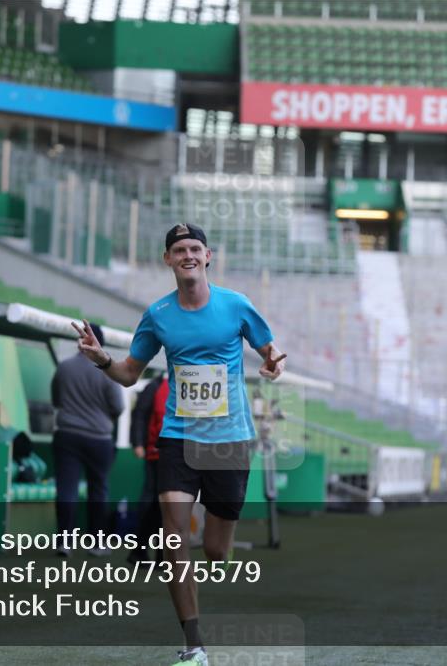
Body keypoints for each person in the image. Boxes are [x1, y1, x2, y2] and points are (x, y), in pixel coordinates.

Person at [72, 222, 286, 666]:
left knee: (215, 551)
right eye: (179, 249)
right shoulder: (158, 315)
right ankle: (194, 646)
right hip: (178, 438)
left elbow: (270, 354)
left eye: (194, 248)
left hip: (229, 441)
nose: (187, 255)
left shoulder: (236, 305)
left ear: (208, 257)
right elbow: (129, 373)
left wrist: (271, 366)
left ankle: (217, 552)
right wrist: (103, 359)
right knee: (173, 537)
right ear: (167, 259)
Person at [51, 322, 125, 556]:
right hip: (99, 438)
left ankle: (64, 542)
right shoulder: (107, 372)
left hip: (67, 435)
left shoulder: (64, 367)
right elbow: (118, 407)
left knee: (66, 489)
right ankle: (97, 543)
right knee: (98, 490)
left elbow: (56, 400)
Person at [128, 371, 169, 564]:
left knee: (161, 504)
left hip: (174, 455)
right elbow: (140, 415)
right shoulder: (154, 386)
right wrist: (137, 443)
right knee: (156, 503)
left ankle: (151, 553)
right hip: (157, 454)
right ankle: (144, 551)